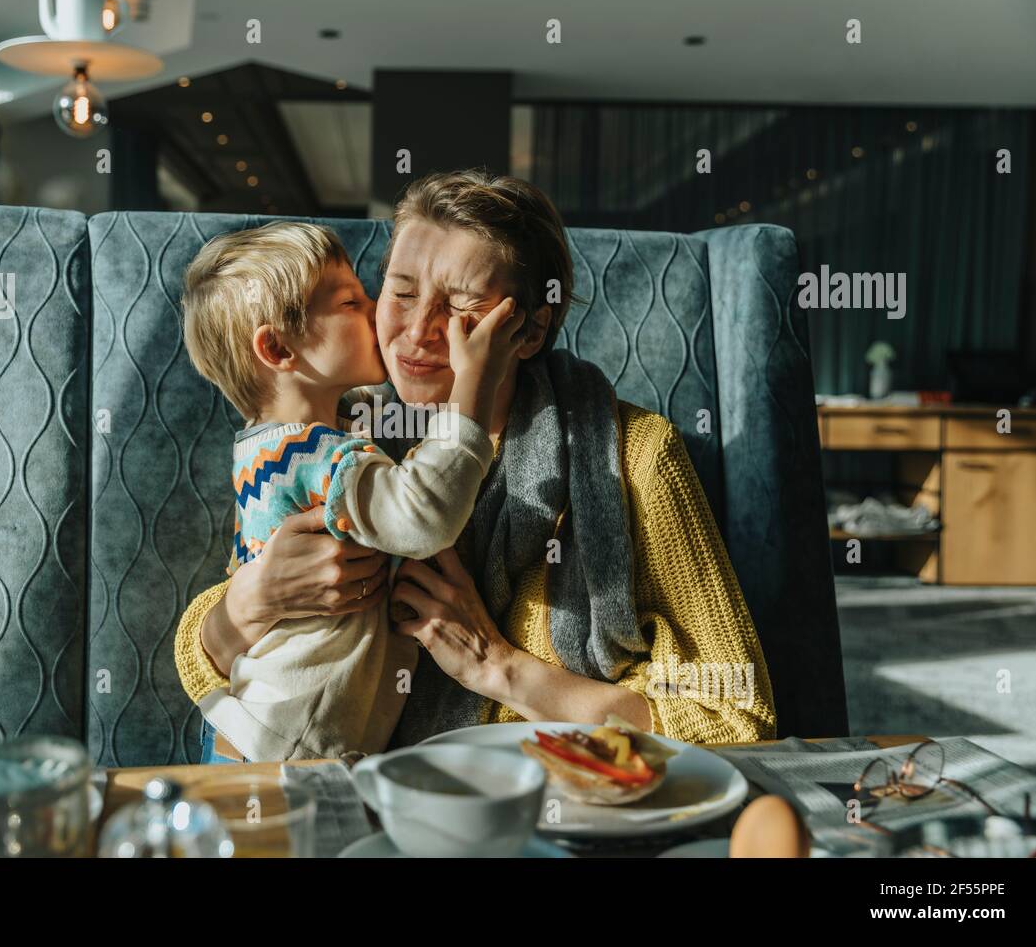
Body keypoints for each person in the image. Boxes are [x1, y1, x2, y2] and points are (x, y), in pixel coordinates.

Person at [176, 170, 777, 755]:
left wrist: (498, 667)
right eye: (402, 292)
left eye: (462, 306)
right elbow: (208, 662)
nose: (417, 331)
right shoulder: (341, 429)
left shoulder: (638, 455)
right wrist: (254, 600)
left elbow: (737, 719)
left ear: (530, 329)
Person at [178, 221, 526, 762]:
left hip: (259, 733)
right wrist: (470, 394)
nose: (379, 315)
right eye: (349, 303)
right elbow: (421, 515)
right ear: (275, 347)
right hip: (287, 750)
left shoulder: (267, 447)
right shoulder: (318, 455)